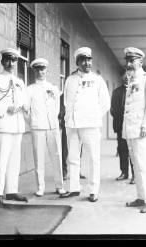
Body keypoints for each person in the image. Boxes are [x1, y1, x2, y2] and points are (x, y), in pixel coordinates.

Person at [60, 47, 110, 202]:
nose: (87, 63)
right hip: (73, 125)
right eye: (83, 60)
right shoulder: (70, 79)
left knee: (93, 157)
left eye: (89, 59)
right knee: (73, 158)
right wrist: (69, 119)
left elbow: (105, 103)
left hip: (90, 124)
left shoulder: (97, 79)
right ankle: (74, 188)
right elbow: (67, 102)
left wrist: (93, 116)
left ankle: (94, 190)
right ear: (77, 62)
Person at [0, 48, 28, 203]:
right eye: (8, 60)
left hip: (17, 126)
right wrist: (5, 108)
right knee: (1, 160)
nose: (11, 63)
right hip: (2, 125)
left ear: (17, 62)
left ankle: (11, 191)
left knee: (15, 160)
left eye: (14, 60)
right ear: (2, 61)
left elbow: (25, 102)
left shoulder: (20, 82)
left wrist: (23, 105)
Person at [122, 47, 146, 213]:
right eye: (127, 61)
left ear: (140, 62)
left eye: (132, 60)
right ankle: (141, 197)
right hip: (130, 129)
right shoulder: (131, 81)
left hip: (141, 129)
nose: (129, 64)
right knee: (135, 165)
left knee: (143, 165)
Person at [26, 58, 66, 197]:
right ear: (34, 71)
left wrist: (53, 121)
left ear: (47, 71)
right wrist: (33, 122)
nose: (40, 72)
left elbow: (56, 108)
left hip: (52, 127)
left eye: (43, 69)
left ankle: (59, 186)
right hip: (38, 127)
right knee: (39, 158)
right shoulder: (30, 89)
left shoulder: (53, 88)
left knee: (57, 156)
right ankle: (40, 187)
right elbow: (26, 110)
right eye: (37, 69)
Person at [110, 72, 135, 184]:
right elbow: (112, 109)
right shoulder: (117, 92)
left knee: (133, 151)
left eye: (129, 77)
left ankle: (135, 175)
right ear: (122, 79)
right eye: (125, 77)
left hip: (133, 125)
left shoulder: (136, 89)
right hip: (121, 126)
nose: (127, 79)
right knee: (122, 150)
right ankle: (124, 172)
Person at [59, 93, 87, 181]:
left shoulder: (81, 93)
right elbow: (60, 111)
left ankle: (77, 171)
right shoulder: (63, 96)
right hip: (68, 126)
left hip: (79, 125)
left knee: (79, 150)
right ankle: (64, 172)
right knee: (65, 150)